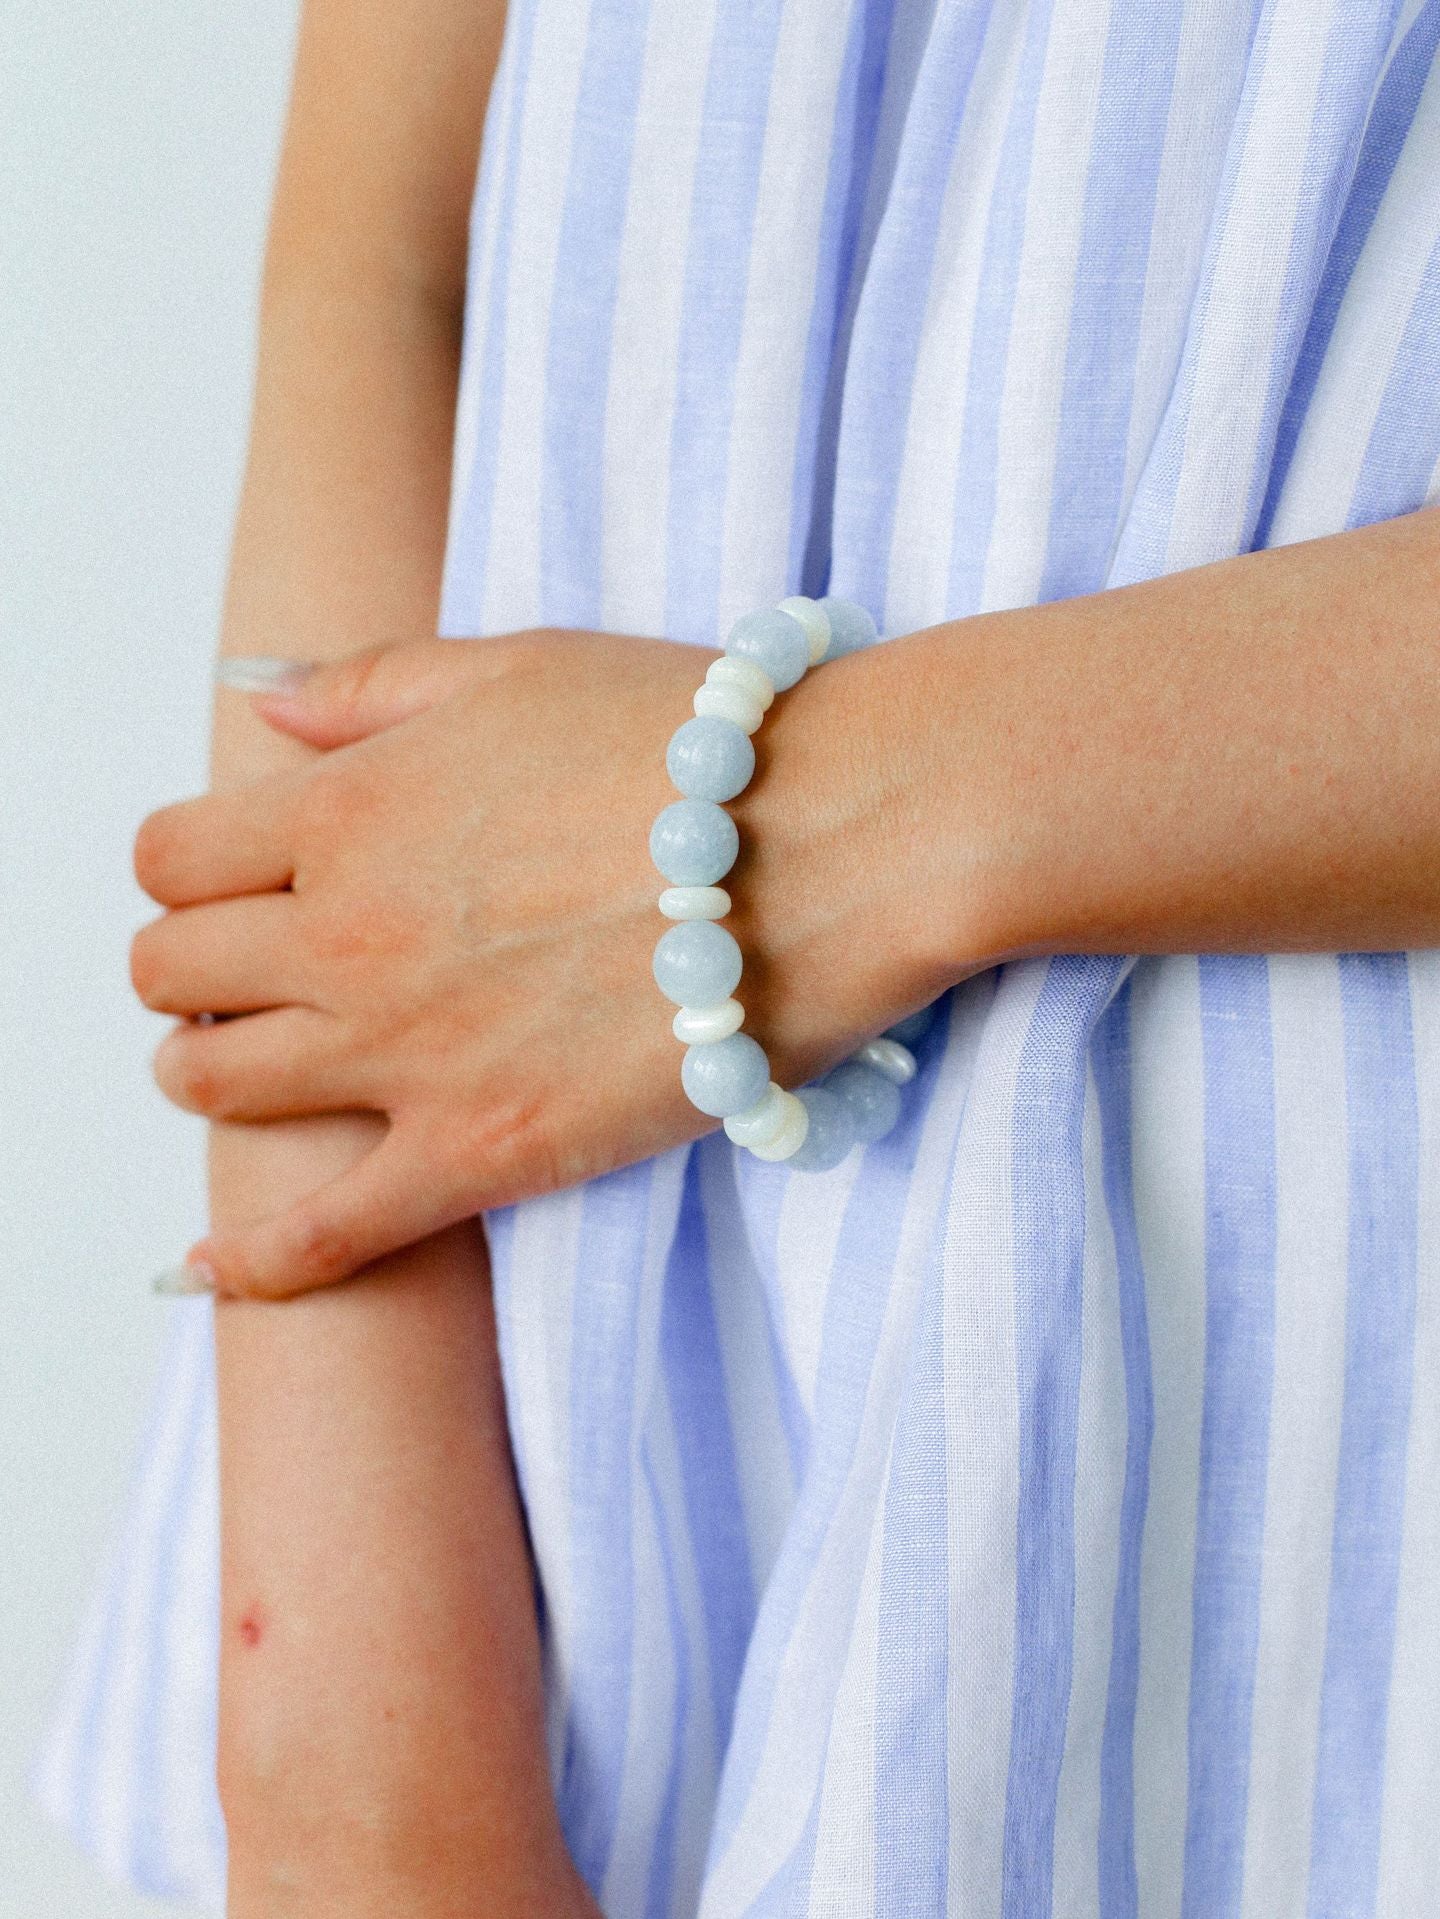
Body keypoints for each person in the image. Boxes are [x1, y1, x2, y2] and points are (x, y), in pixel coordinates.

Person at [39, 0, 1440, 1912]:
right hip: (573, 1578)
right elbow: (386, 275)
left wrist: (779, 837)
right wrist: (349, 1760)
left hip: (1326, 1589)